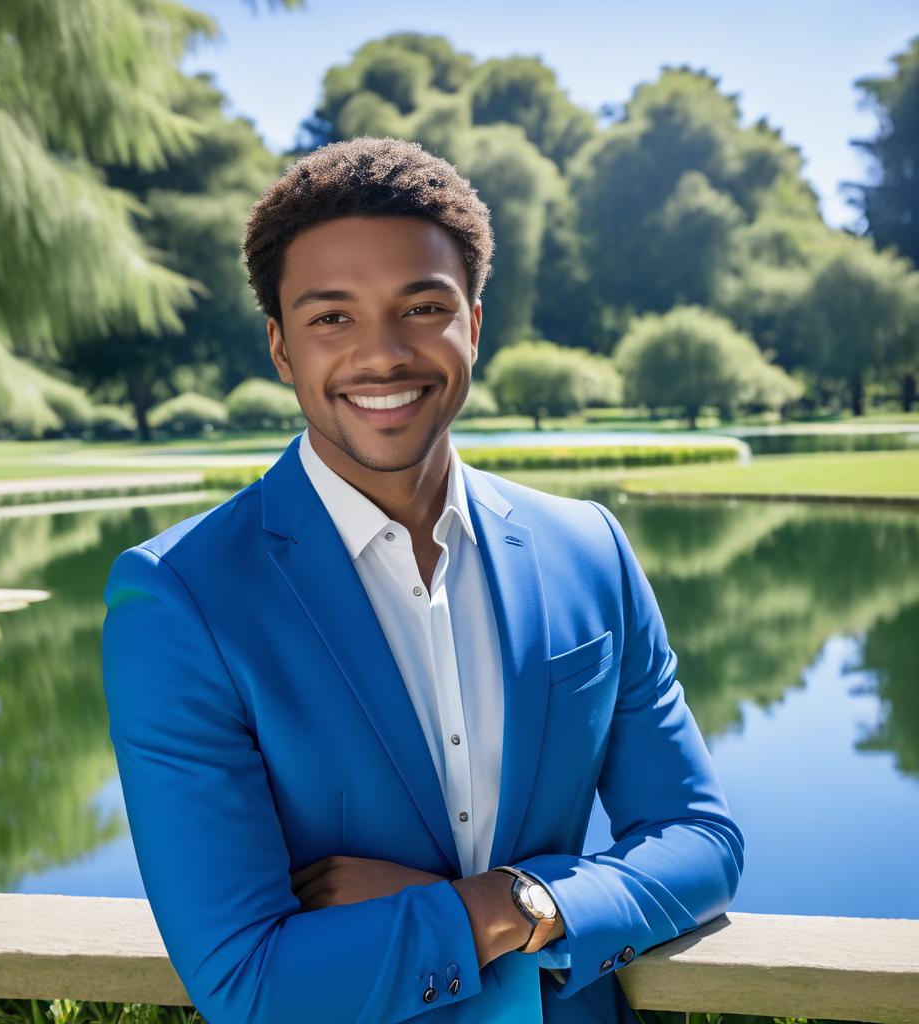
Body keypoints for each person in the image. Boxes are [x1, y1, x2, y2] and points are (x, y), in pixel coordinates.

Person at [100, 135, 745, 1024]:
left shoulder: (589, 547)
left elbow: (702, 843)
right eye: (332, 318)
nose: (383, 355)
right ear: (281, 348)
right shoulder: (179, 600)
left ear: (473, 325)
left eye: (422, 306)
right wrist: (534, 904)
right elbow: (245, 979)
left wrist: (506, 904)